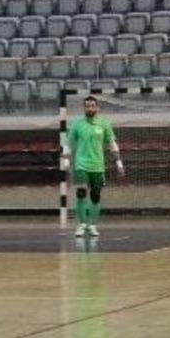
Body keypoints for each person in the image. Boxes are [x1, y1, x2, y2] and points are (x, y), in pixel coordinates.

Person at [65, 95, 124, 238]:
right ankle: (81, 225)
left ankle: (92, 226)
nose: (89, 108)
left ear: (97, 108)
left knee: (96, 196)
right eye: (87, 105)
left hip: (98, 166)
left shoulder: (104, 124)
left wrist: (119, 163)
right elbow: (68, 144)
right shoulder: (77, 124)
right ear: (84, 108)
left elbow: (112, 144)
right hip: (81, 164)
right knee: (81, 193)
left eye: (92, 105)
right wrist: (66, 163)